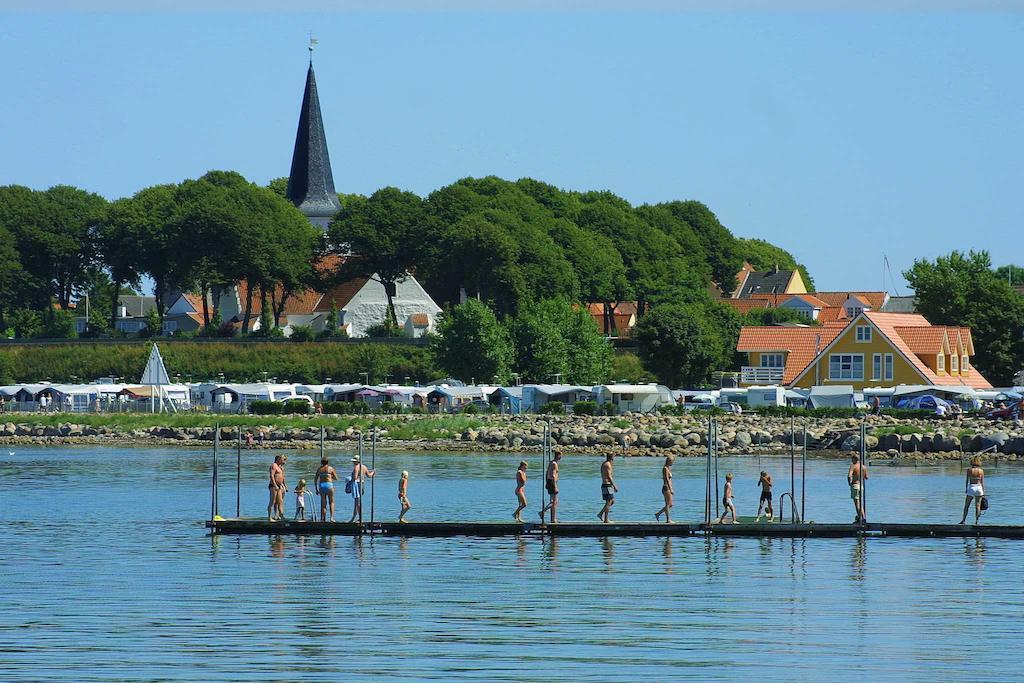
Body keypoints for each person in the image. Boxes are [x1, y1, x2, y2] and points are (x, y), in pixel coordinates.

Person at [347, 455, 375, 523]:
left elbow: (355, 477)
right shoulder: (364, 467)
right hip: (362, 484)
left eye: (354, 461)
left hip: (357, 485)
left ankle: (360, 518)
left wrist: (349, 480)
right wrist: (373, 472)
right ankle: (353, 517)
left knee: (357, 502)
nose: (353, 463)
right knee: (357, 502)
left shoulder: (356, 467)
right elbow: (369, 475)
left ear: (357, 461)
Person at [959, 455, 986, 525]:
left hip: (972, 487)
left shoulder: (969, 470)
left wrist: (966, 489)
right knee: (977, 506)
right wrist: (983, 491)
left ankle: (963, 520)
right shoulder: (981, 471)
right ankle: (976, 522)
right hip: (979, 488)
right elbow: (982, 482)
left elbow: (967, 480)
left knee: (967, 505)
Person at [538, 451, 561, 524]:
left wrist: (546, 483)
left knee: (554, 501)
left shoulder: (551, 462)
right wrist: (555, 486)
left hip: (549, 482)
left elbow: (547, 473)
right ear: (558, 455)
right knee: (554, 502)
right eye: (560, 455)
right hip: (552, 482)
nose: (561, 457)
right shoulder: (554, 464)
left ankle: (547, 515)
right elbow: (553, 475)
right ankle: (552, 518)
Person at [596, 454, 618, 524]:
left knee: (612, 501)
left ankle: (600, 514)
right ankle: (606, 519)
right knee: (609, 502)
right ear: (612, 457)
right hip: (607, 485)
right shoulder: (608, 464)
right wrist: (614, 485)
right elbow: (609, 476)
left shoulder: (605, 463)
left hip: (606, 485)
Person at [315, 457, 338, 522]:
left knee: (323, 503)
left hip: (322, 485)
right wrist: (331, 476)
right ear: (328, 462)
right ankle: (331, 518)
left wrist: (316, 489)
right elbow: (336, 478)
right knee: (331, 502)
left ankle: (323, 518)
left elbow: (315, 479)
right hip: (329, 485)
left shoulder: (319, 469)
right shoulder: (330, 468)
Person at [848, 454, 868, 524]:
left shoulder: (853, 466)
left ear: (854, 459)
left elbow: (849, 476)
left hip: (855, 485)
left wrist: (849, 483)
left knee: (857, 504)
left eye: (852, 459)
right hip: (861, 486)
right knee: (860, 503)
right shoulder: (863, 467)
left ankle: (860, 519)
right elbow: (866, 477)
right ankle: (864, 518)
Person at [654, 456, 674, 523]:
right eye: (671, 461)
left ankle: (658, 514)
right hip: (666, 487)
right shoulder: (665, 468)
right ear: (668, 461)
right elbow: (667, 479)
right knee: (668, 504)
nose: (672, 463)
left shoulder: (668, 468)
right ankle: (668, 520)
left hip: (668, 487)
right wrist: (671, 489)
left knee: (670, 504)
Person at [267, 454, 287, 521]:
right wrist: (275, 485)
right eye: (282, 459)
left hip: (279, 486)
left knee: (280, 502)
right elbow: (272, 476)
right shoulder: (274, 465)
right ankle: (269, 517)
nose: (283, 460)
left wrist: (284, 486)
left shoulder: (280, 467)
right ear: (279, 459)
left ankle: (281, 516)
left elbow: (283, 477)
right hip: (273, 486)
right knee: (272, 501)